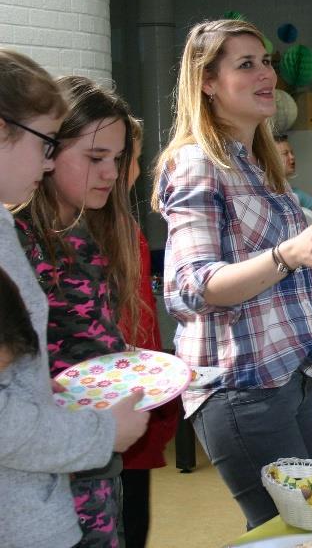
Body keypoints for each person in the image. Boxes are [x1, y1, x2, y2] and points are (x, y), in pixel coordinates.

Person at [152, 19, 312, 530]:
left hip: (291, 373)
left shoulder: (258, 164)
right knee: (294, 529)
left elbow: (287, 259)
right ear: (207, 83)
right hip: (244, 386)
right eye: (246, 64)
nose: (266, 76)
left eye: (266, 63)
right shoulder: (198, 163)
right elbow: (192, 287)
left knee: (306, 529)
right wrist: (290, 254)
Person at [0, 49, 147, 548]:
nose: (109, 173)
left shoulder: (91, 231)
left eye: (118, 159)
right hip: (48, 466)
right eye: (94, 158)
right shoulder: (15, 238)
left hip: (86, 452)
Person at [117, 118, 180, 548]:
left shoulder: (125, 226)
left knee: (134, 522)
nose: (130, 170)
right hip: (103, 409)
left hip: (135, 397)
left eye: (131, 158)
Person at [273, 133, 312, 221]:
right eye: (285, 153)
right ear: (270, 158)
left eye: (292, 152)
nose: (292, 157)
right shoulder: (262, 193)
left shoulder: (297, 194)